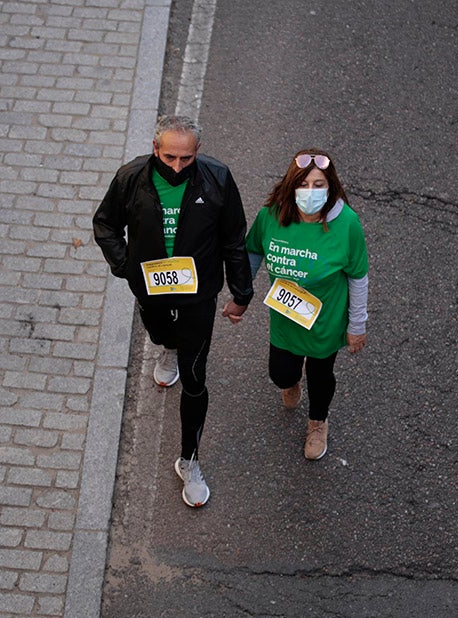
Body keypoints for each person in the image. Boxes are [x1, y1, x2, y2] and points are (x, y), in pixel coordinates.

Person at [92, 115, 253, 507]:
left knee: (195, 378)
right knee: (161, 333)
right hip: (151, 290)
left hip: (198, 295)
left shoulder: (217, 178)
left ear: (197, 152)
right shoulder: (131, 178)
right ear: (155, 148)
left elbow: (234, 239)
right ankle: (167, 348)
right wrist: (126, 267)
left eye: (185, 158)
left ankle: (190, 460)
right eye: (169, 157)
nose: (177, 166)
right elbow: (105, 225)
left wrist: (241, 294)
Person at [243, 149, 368, 460]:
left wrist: (357, 325)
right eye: (303, 184)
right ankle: (291, 381)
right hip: (285, 320)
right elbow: (253, 251)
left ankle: (317, 422)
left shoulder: (347, 224)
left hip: (326, 322)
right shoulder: (271, 215)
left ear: (331, 187)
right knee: (281, 375)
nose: (310, 192)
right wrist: (240, 293)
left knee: (321, 375)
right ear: (291, 185)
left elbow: (358, 277)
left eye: (318, 185)